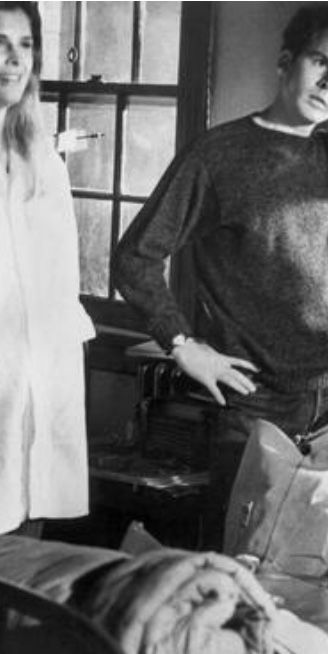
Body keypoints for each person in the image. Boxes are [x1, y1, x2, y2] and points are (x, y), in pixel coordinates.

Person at [112, 4, 328, 523]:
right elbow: (134, 257)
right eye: (320, 63)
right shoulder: (217, 155)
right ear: (286, 61)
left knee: (316, 560)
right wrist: (183, 344)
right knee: (244, 563)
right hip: (256, 402)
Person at [0, 1, 95, 535]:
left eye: (26, 45)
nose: (14, 60)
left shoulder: (42, 162)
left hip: (38, 385)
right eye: (0, 42)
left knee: (24, 556)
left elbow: (61, 287)